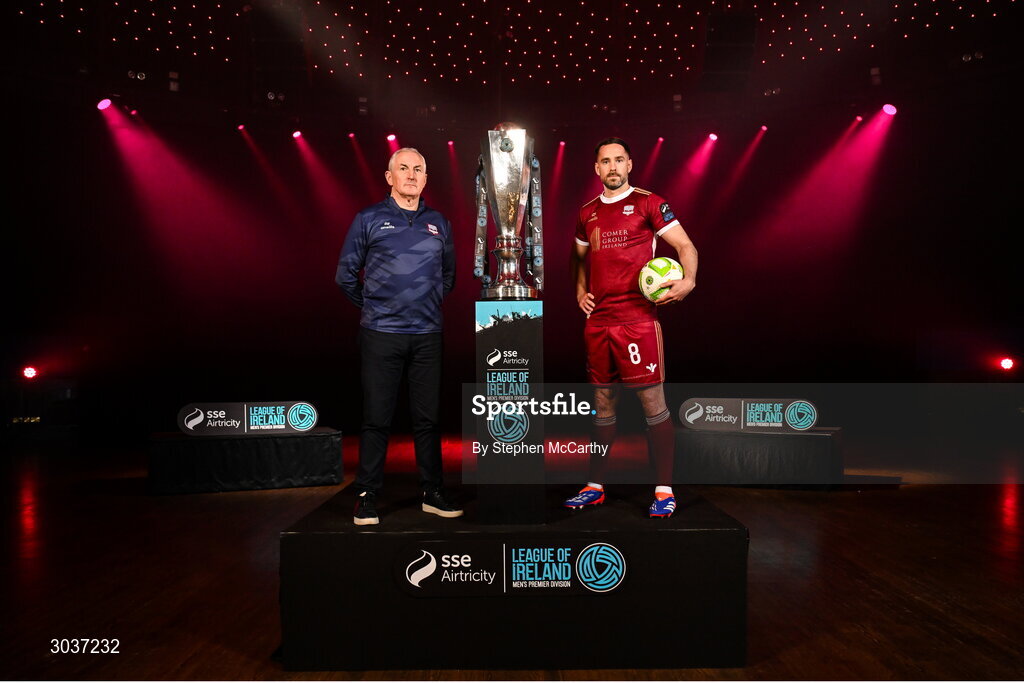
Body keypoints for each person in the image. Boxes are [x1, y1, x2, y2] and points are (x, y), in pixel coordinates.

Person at [566, 137, 698, 518]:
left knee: (651, 402)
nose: (612, 167)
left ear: (629, 164)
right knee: (603, 403)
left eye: (618, 160)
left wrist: (688, 280)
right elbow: (576, 258)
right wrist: (579, 291)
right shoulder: (586, 212)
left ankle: (663, 490)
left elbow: (685, 246)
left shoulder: (649, 202)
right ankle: (594, 486)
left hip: (638, 321)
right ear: (597, 169)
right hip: (599, 322)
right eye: (605, 161)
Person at [336, 147, 462, 525]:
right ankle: (367, 494)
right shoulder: (368, 219)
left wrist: (422, 305)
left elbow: (449, 277)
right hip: (381, 335)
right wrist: (378, 308)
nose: (411, 174)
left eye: (418, 169)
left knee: (428, 419)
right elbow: (345, 276)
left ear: (425, 179)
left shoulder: (439, 222)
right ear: (389, 177)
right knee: (377, 419)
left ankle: (432, 491)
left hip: (427, 336)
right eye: (403, 168)